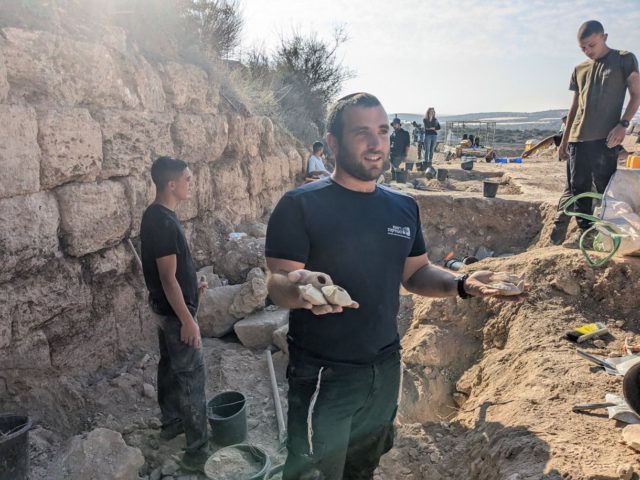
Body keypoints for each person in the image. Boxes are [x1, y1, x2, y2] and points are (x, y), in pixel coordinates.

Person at [264, 92, 526, 480]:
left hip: (384, 368)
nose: (376, 143)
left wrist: (462, 283)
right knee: (314, 472)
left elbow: (416, 273)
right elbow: (277, 283)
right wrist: (300, 290)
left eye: (383, 131)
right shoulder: (301, 205)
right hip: (324, 373)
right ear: (334, 142)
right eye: (362, 132)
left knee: (364, 466)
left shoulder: (403, 206)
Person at [140, 156, 209, 472]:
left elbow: (173, 274)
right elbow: (168, 278)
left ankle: (172, 423)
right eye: (188, 179)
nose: (190, 183)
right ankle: (197, 453)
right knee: (192, 378)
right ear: (171, 184)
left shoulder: (155, 215)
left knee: (169, 366)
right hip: (174, 315)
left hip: (166, 310)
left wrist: (195, 288)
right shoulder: (164, 224)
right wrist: (188, 319)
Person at [554, 20, 640, 248]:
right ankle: (586, 236)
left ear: (605, 37)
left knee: (605, 190)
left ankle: (608, 235)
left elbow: (636, 95)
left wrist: (623, 124)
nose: (588, 51)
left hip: (605, 139)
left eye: (592, 45)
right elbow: (574, 108)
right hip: (577, 140)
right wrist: (564, 141)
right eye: (583, 48)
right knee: (578, 189)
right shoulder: (579, 69)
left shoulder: (624, 58)